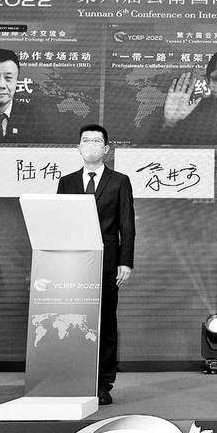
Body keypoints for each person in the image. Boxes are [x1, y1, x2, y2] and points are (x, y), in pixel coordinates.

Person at [56, 124, 135, 405]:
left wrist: (126, 262)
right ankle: (75, 378)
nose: (90, 145)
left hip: (108, 261)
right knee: (74, 320)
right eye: (85, 141)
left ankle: (103, 384)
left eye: (96, 141)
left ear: (106, 149)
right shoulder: (66, 182)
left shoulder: (119, 181)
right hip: (74, 262)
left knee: (105, 322)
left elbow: (127, 224)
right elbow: (60, 222)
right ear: (78, 148)